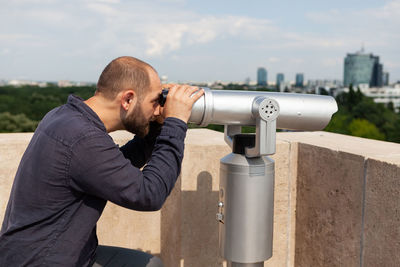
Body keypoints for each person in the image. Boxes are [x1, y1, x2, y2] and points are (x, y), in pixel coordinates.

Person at [0, 56, 204, 266]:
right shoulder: (82, 138)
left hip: (41, 254)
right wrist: (175, 123)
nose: (156, 110)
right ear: (127, 99)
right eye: (154, 101)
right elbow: (149, 194)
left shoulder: (65, 117)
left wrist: (157, 127)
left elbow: (115, 167)